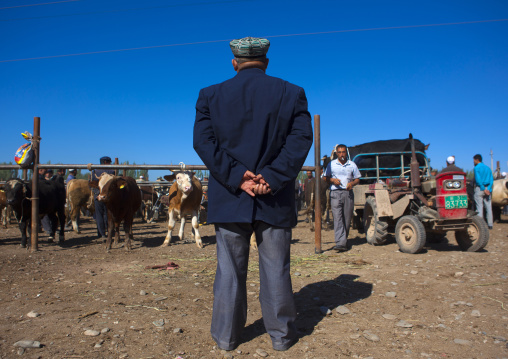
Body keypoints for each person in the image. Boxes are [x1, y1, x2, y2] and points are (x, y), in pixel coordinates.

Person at [193, 36, 313, 351]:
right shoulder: (292, 93)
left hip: (230, 198)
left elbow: (204, 143)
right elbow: (301, 139)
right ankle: (282, 337)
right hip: (274, 197)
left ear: (235, 63)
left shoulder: (210, 96)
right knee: (276, 270)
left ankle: (227, 337)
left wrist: (236, 177)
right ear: (266, 62)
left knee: (229, 271)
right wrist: (272, 178)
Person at [324, 144, 361, 252]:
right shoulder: (331, 164)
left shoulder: (352, 164)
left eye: (343, 152)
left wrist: (352, 183)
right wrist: (332, 180)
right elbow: (325, 177)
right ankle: (340, 243)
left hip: (348, 193)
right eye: (339, 152)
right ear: (336, 153)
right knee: (337, 217)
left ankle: (343, 240)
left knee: (347, 218)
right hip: (335, 193)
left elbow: (358, 178)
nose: (341, 154)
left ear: (346, 153)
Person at [90, 156, 115, 239]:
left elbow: (93, 183)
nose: (110, 164)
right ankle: (110, 232)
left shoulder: (95, 171)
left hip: (98, 195)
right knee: (108, 213)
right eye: (109, 162)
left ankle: (101, 233)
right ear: (105, 162)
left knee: (99, 214)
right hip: (108, 196)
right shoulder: (112, 171)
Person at [473, 154, 494, 229]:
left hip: (480, 188)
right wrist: (488, 189)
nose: (473, 162)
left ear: (476, 160)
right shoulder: (488, 168)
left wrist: (483, 188)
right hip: (488, 189)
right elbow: (491, 179)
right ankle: (490, 224)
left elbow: (478, 179)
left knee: (479, 207)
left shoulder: (476, 168)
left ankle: (480, 225)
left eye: (474, 160)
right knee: (488, 206)